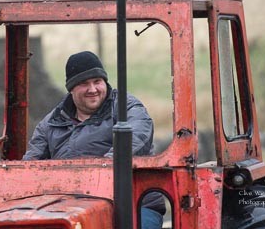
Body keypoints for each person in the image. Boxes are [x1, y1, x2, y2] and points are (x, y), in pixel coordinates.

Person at [23, 51, 165, 228]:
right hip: (67, 207)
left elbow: (138, 136)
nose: (93, 89)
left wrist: (104, 166)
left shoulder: (126, 107)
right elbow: (29, 164)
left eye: (97, 82)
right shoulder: (51, 123)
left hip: (132, 202)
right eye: (84, 84)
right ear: (71, 89)